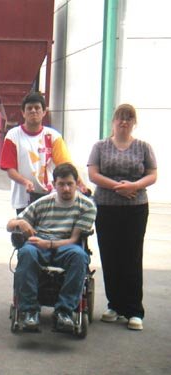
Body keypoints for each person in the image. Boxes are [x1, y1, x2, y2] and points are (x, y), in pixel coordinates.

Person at [87, 104, 157, 331]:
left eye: (129, 118)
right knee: (110, 255)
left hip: (135, 208)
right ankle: (114, 305)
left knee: (132, 256)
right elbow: (93, 173)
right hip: (107, 208)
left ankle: (134, 310)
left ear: (134, 122)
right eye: (120, 118)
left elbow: (152, 174)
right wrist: (119, 187)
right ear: (113, 121)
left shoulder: (143, 147)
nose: (124, 122)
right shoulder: (100, 146)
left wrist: (134, 185)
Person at [6, 163, 96, 332]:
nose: (66, 188)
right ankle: (29, 311)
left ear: (77, 183)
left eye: (70, 184)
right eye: (61, 184)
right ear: (54, 185)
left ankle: (65, 312)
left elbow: (74, 239)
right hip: (40, 243)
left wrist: (49, 244)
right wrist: (20, 222)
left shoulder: (87, 206)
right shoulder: (43, 203)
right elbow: (9, 225)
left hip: (67, 246)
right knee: (26, 252)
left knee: (79, 256)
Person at [0, 92, 87, 214]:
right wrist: (25, 182)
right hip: (24, 198)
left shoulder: (53, 136)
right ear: (23, 113)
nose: (33, 111)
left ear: (44, 112)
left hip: (50, 196)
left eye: (37, 108)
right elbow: (10, 169)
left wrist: (80, 183)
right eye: (29, 108)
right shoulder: (13, 136)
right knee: (26, 231)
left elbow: (65, 166)